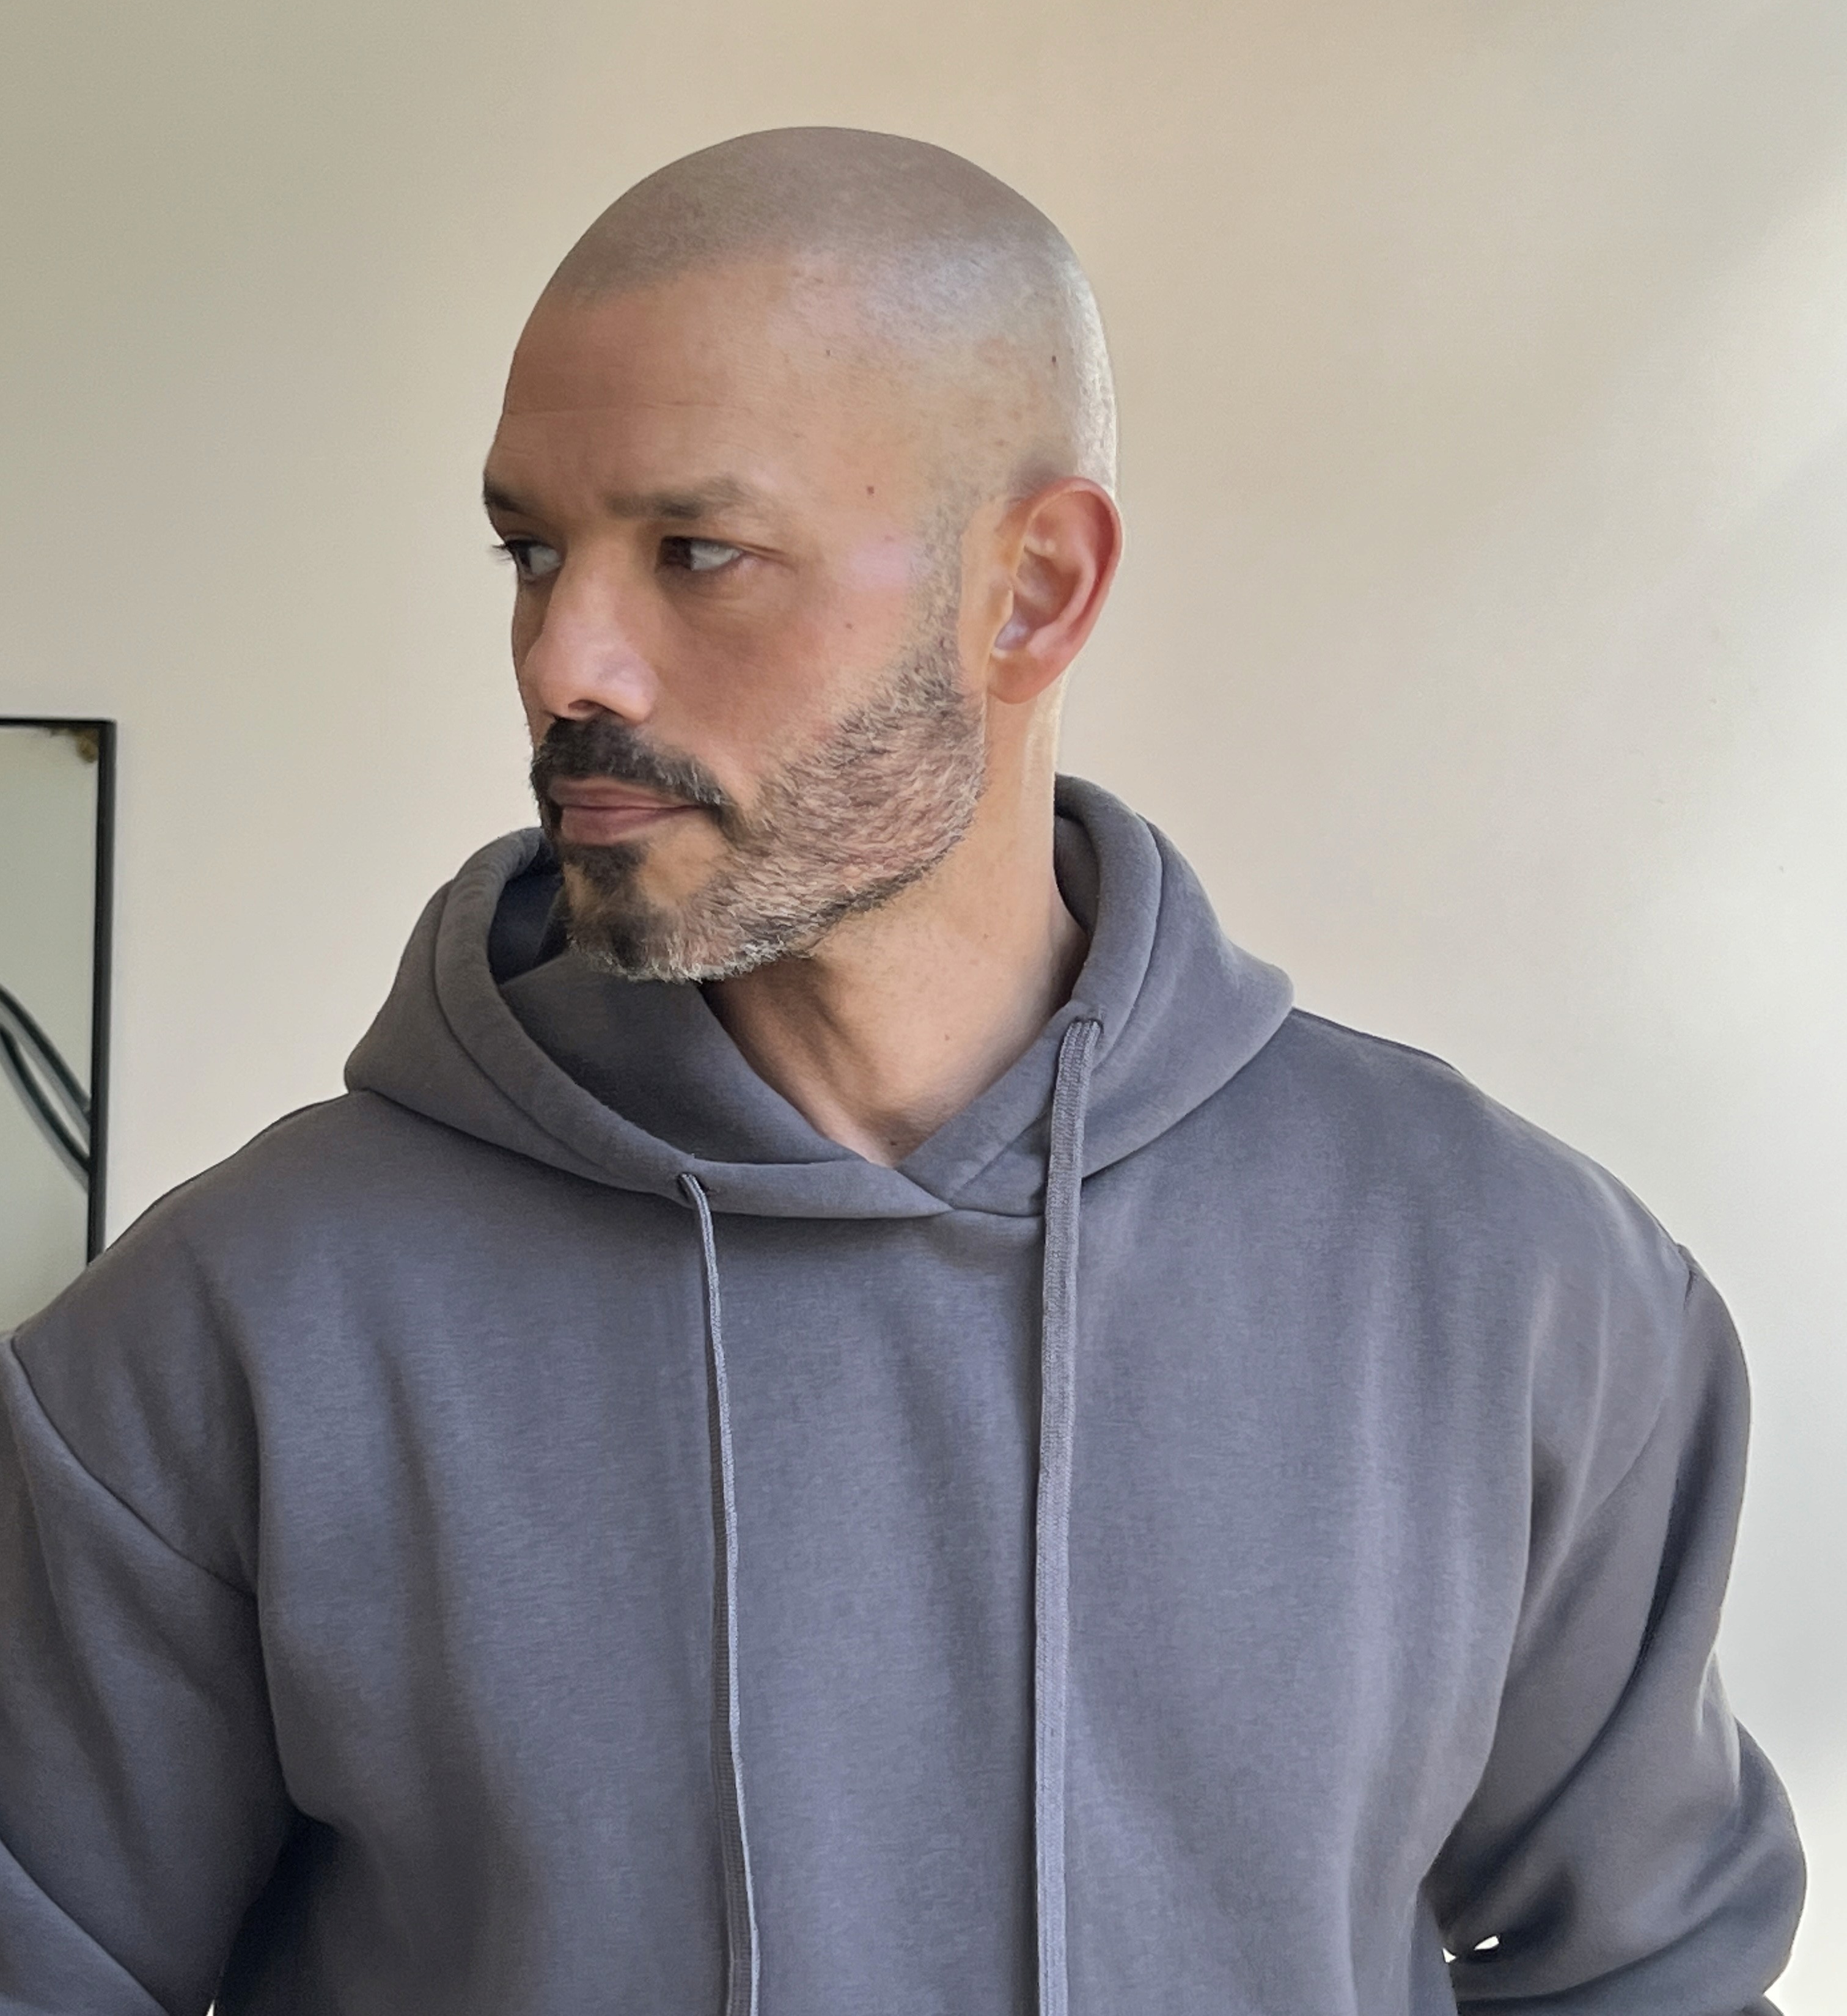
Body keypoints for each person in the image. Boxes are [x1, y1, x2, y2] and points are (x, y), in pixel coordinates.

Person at [0, 128, 1803, 2016]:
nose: (563, 658)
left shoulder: (1516, 1286)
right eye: (532, 550)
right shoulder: (226, 1339)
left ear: (1031, 590)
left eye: (696, 552)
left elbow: (1647, 1972)